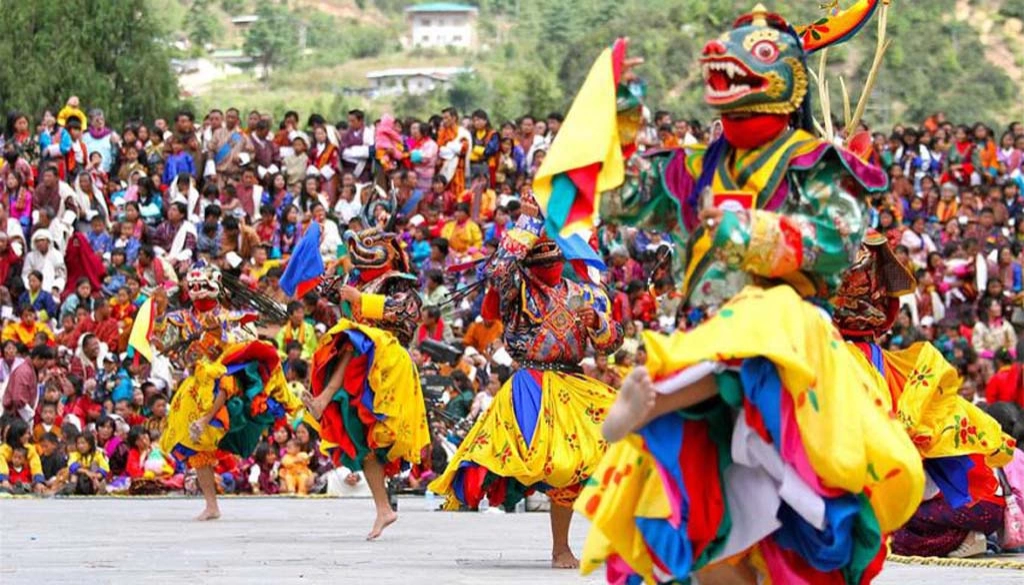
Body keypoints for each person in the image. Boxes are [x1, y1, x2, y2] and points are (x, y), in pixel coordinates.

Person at [565, 7, 926, 584]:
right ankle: (664, 401)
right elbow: (620, 197)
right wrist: (624, 115)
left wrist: (744, 231)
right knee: (715, 536)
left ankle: (658, 402)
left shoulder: (814, 163)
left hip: (790, 355)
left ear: (790, 81)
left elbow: (837, 239)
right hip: (707, 345)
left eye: (754, 57)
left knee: (794, 530)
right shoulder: (698, 167)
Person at [429, 198, 622, 569]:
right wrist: (526, 222)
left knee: (609, 449)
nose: (549, 258)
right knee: (556, 462)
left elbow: (611, 343)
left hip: (574, 384)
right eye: (541, 251)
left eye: (554, 250)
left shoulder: (587, 293)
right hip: (532, 383)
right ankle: (561, 548)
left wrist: (599, 324)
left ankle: (600, 539)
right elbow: (499, 268)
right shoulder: (517, 289)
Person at [303, 193, 429, 540]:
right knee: (364, 442)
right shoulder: (357, 281)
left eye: (373, 243)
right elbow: (327, 293)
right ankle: (383, 509)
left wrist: (361, 301)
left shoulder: (400, 286)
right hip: (361, 366)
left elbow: (407, 313)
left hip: (388, 361)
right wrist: (320, 272)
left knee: (352, 337)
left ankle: (324, 399)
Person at [157, 262, 301, 520]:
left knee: (223, 388)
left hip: (226, 382)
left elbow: (244, 350)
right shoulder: (179, 320)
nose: (199, 290)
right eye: (194, 285)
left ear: (217, 286)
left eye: (204, 285)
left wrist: (218, 343)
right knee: (197, 446)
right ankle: (211, 505)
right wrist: (159, 315)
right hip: (194, 387)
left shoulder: (234, 318)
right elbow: (169, 353)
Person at [1, 344, 54, 423]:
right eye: (44, 362)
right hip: (15, 418)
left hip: (20, 416)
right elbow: (18, 399)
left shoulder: (30, 370)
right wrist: (31, 416)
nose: (45, 366)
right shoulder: (24, 372)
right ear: (37, 358)